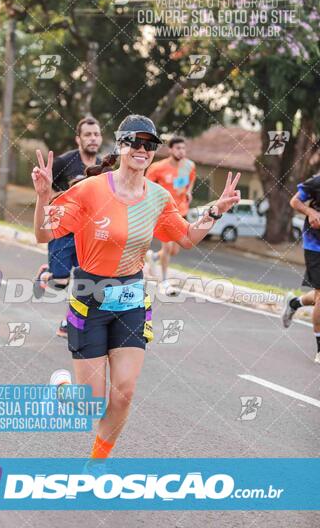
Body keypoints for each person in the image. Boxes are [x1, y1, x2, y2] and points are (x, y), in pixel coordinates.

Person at [32, 114, 240, 461]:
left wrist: (215, 212)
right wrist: (42, 197)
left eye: (150, 144)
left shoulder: (158, 198)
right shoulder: (88, 190)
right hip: (89, 296)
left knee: (124, 392)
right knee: (91, 407)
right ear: (122, 145)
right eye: (136, 142)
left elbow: (187, 237)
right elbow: (43, 233)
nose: (143, 149)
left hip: (130, 296)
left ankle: (96, 467)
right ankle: (63, 388)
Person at [33, 117, 102, 338]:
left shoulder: (103, 167)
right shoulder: (65, 162)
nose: (93, 138)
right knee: (61, 283)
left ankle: (68, 322)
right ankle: (47, 273)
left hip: (87, 233)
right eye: (88, 134)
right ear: (78, 138)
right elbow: (46, 192)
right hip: (61, 229)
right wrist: (69, 194)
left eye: (96, 134)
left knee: (85, 280)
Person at [145, 136, 196, 292]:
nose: (181, 151)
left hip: (181, 212)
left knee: (175, 250)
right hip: (163, 212)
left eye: (183, 148)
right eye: (178, 148)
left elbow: (191, 180)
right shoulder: (157, 168)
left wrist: (188, 191)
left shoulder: (189, 165)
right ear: (170, 150)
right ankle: (164, 282)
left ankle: (153, 257)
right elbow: (146, 187)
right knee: (167, 248)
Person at [282, 173, 320, 363]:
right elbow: (295, 201)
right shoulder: (317, 181)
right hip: (316, 245)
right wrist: (312, 212)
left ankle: (294, 303)